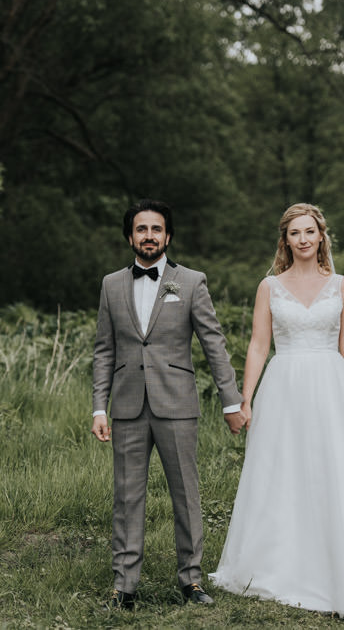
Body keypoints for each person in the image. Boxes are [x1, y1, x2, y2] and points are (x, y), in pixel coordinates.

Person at [210, 203, 344, 620]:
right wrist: (246, 397)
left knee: (337, 470)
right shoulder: (269, 287)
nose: (304, 239)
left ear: (322, 236)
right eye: (295, 233)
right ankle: (282, 564)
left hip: (332, 386)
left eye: (310, 231)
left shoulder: (341, 285)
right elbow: (259, 345)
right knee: (284, 471)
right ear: (285, 241)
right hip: (284, 385)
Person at [92, 199, 246, 610]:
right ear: (130, 237)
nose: (148, 236)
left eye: (156, 229)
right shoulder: (110, 285)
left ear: (167, 236)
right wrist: (98, 407)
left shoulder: (191, 282)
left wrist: (232, 401)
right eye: (141, 229)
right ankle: (124, 586)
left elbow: (214, 344)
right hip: (126, 407)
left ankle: (191, 581)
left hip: (177, 405)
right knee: (126, 497)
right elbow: (104, 351)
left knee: (185, 494)